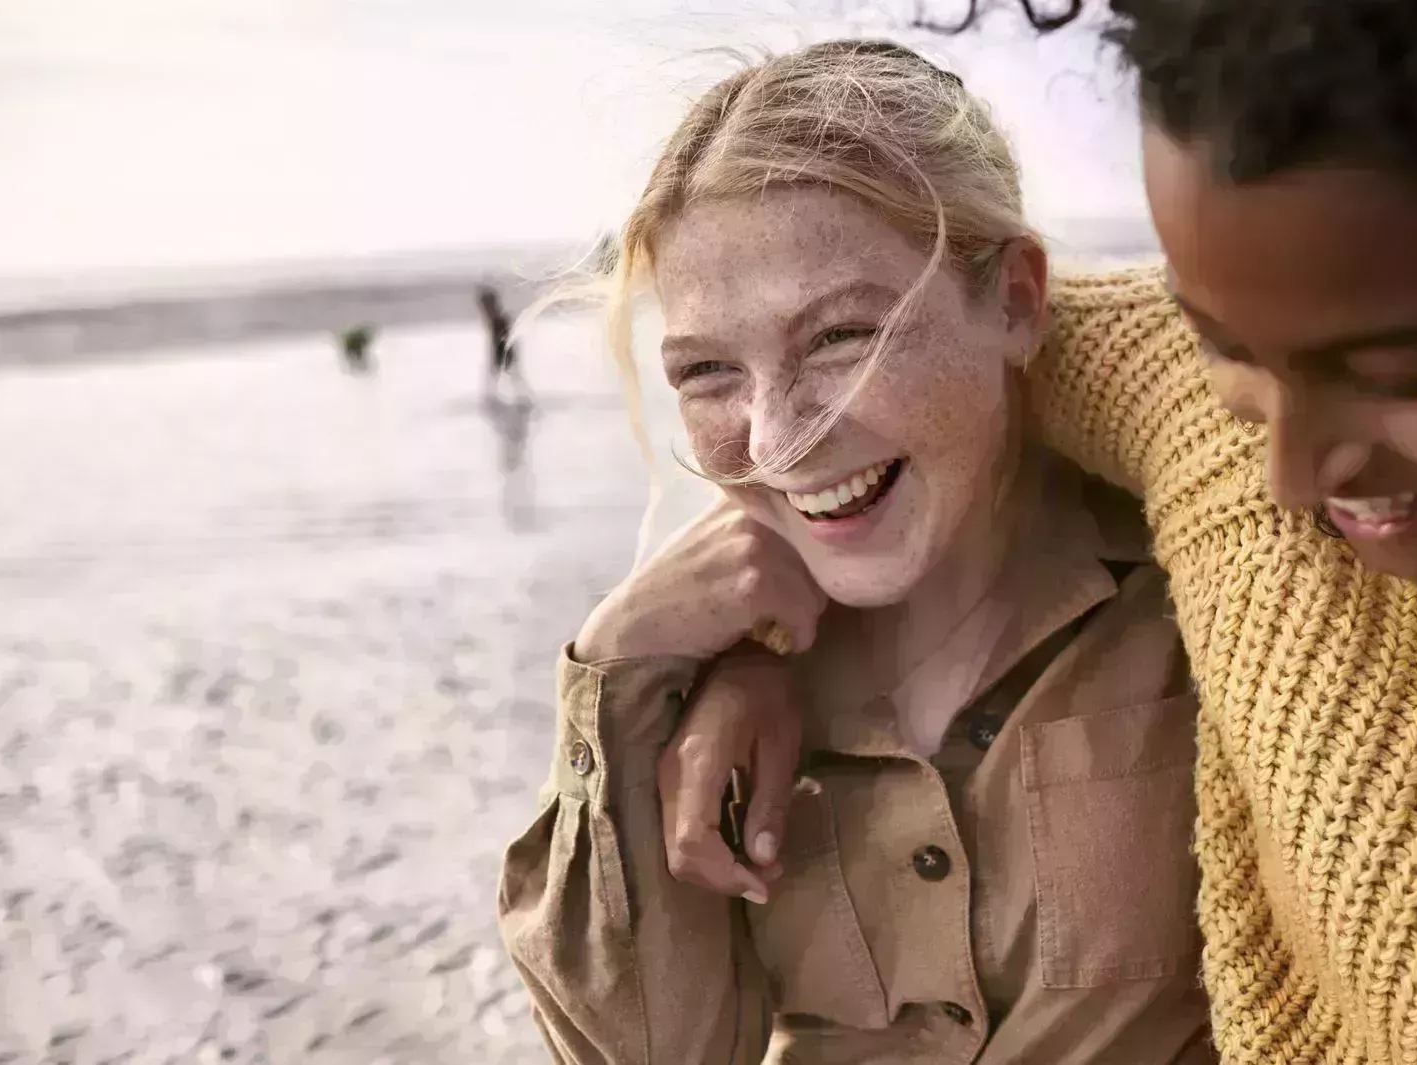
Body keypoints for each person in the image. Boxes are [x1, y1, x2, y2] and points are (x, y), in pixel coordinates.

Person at [652, 2, 1417, 1062]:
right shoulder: (1199, 422)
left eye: (1406, 372)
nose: (1290, 473)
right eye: (1224, 350)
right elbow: (896, 382)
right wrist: (768, 634)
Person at [497, 41, 1214, 1064]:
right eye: (706, 371)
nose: (773, 437)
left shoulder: (1201, 591)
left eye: (839, 338)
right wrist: (619, 662)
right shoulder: (685, 688)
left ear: (1014, 300)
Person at [476, 282, 526, 399]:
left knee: (512, 377)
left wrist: (502, 358)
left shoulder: (499, 320)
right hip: (501, 353)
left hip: (504, 353)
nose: (483, 310)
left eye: (485, 306)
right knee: (507, 377)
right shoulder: (495, 319)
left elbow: (506, 341)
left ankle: (520, 397)